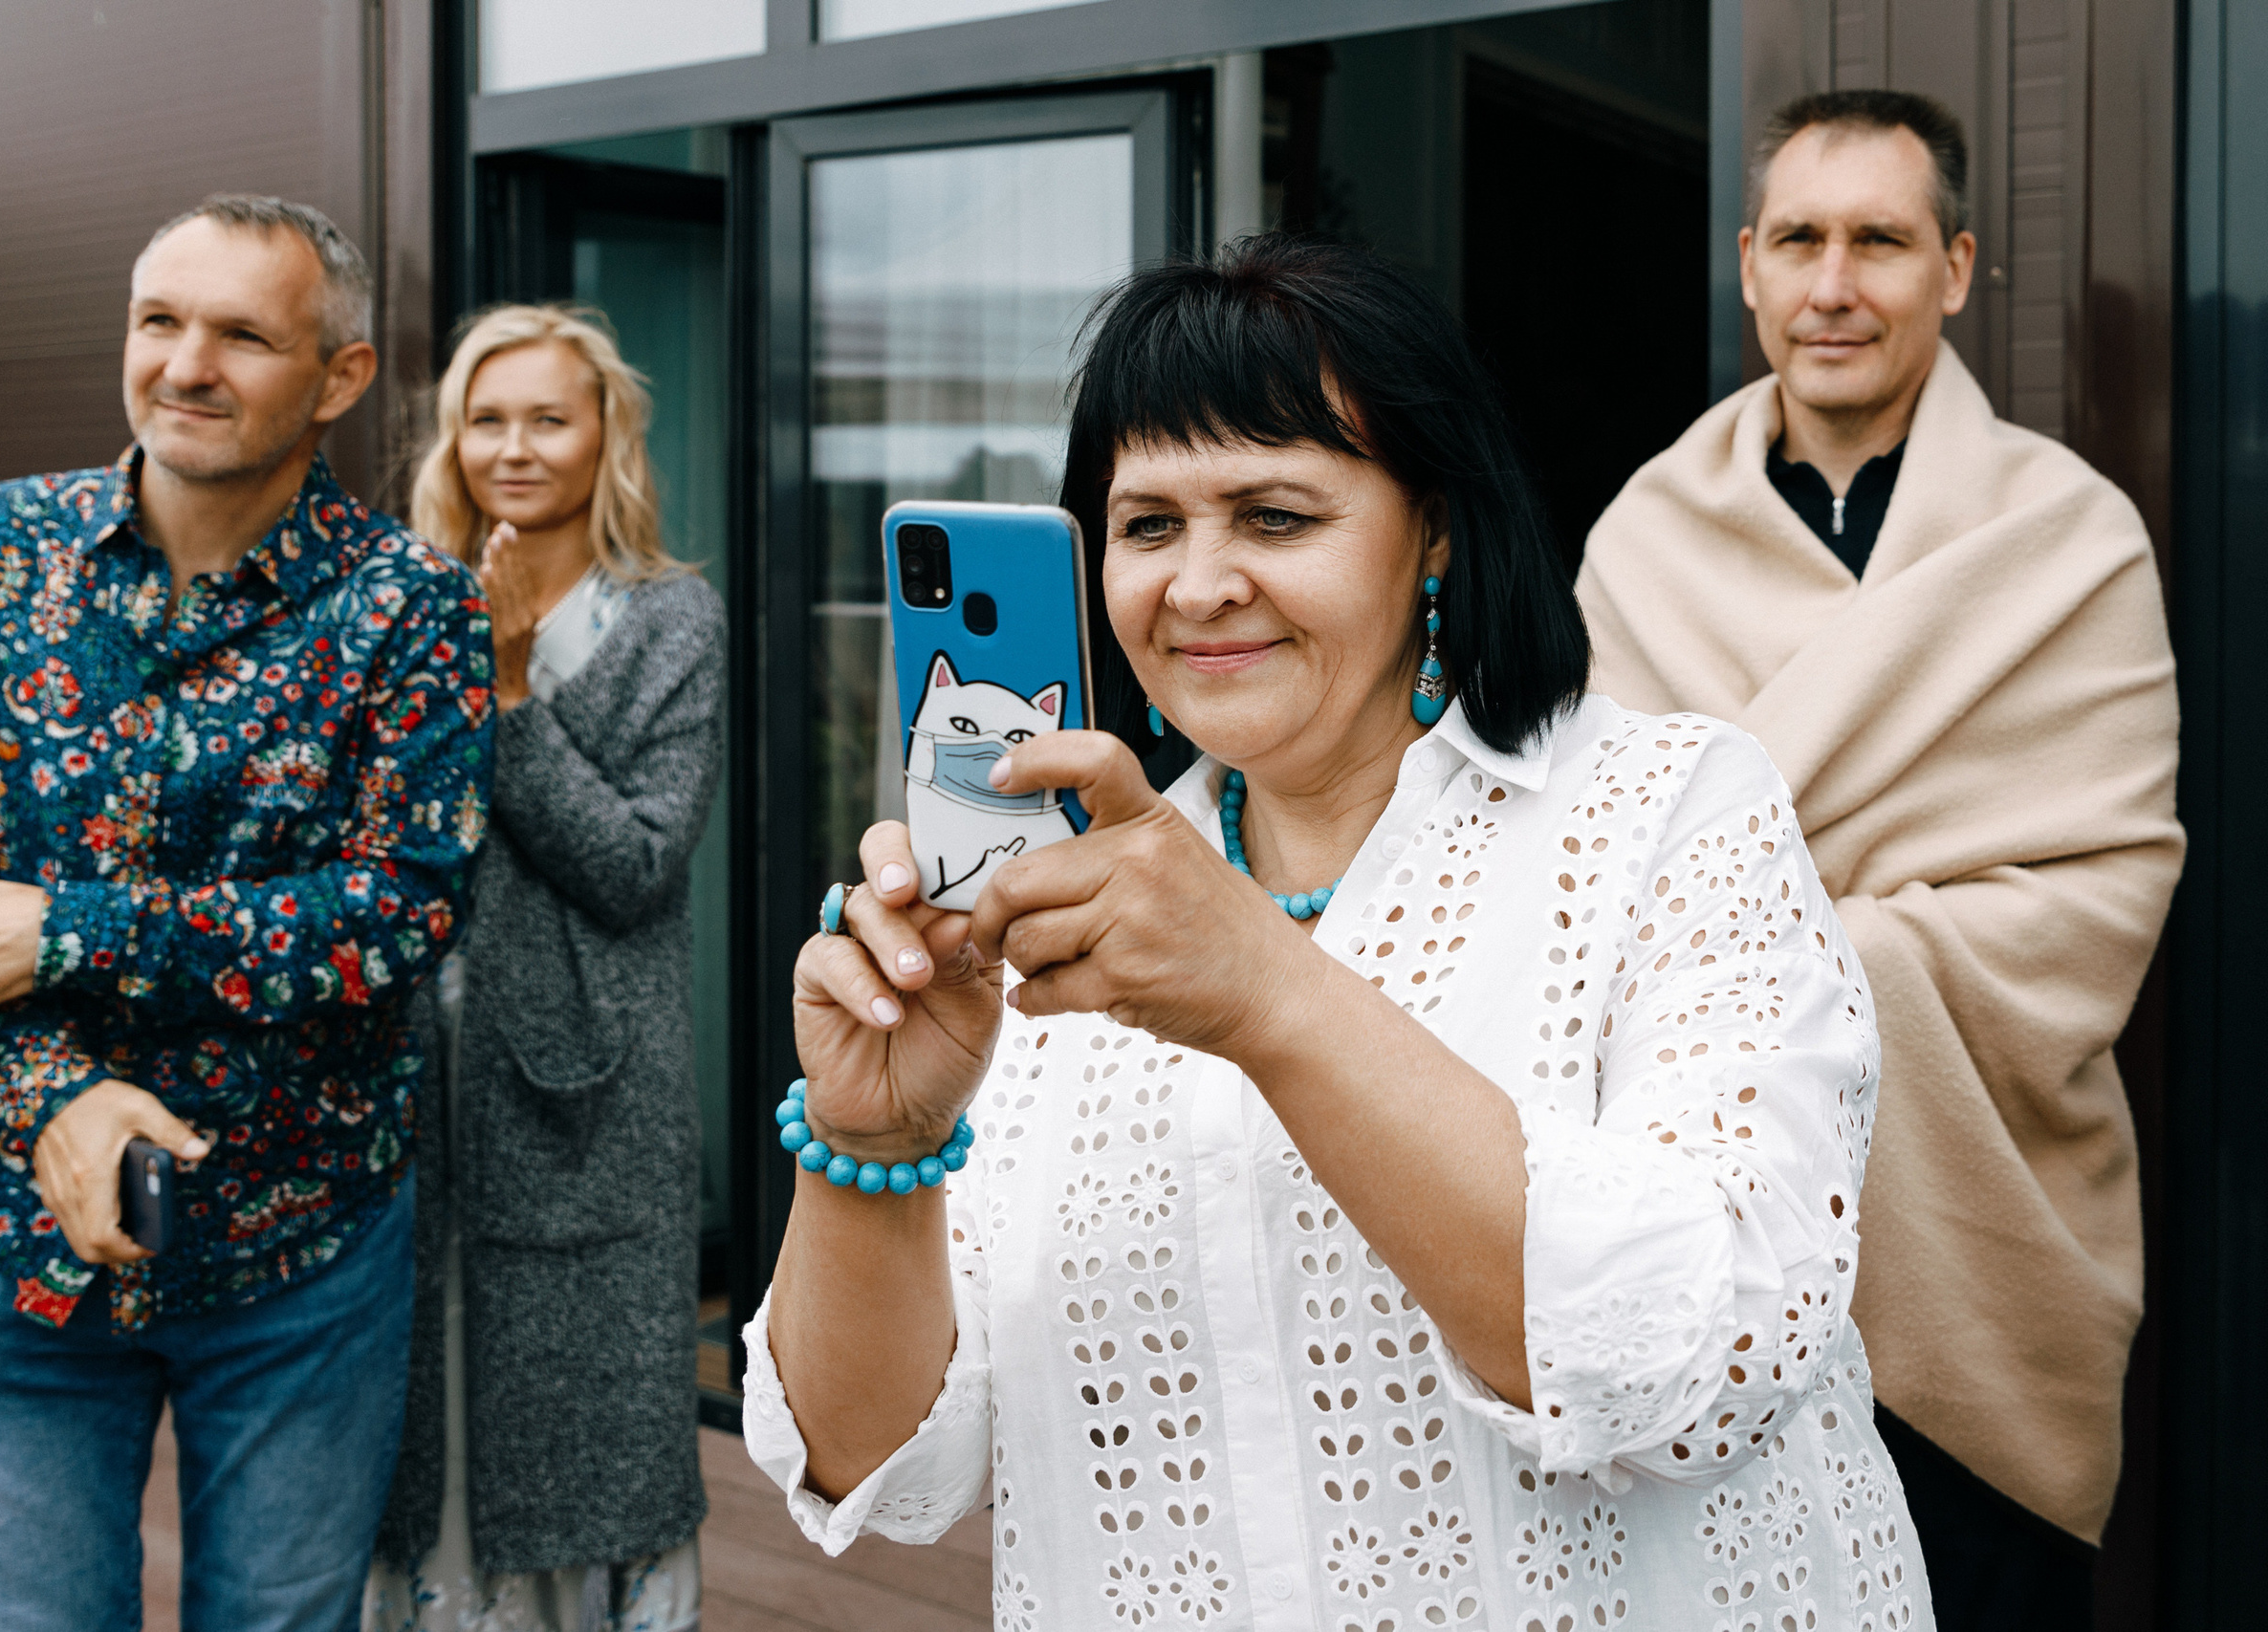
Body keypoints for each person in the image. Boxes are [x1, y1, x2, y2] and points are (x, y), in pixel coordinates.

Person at [743, 233, 1930, 1630]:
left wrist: (1267, 989)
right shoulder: (1047, 917)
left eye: (1274, 516)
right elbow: (885, 1469)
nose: (1198, 585)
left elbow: (1700, 1359)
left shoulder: (1669, 814)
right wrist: (877, 1143)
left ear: (1435, 527)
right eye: (1148, 525)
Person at [0, 194, 492, 1630]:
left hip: (302, 1250)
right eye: (159, 321)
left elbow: (401, 909)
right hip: (4, 1230)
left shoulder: (413, 606)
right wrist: (56, 1098)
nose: (186, 365)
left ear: (340, 376)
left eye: (241, 334)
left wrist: (61, 932)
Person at [1577, 91, 2182, 1627]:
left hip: (1984, 1241)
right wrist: (1830, 937)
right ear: (1749, 265)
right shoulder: (1641, 541)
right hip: (1705, 1256)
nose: (1833, 285)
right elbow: (1588, 874)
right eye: (1800, 240)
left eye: (1880, 242)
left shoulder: (2070, 539)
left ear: (1956, 269)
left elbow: (2100, 892)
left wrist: (1788, 957)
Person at [365, 304, 724, 1632]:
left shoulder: (671, 620)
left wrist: (511, 694)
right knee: (431, 1389)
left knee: (588, 1419)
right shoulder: (404, 606)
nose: (514, 447)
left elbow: (637, 866)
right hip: (418, 1071)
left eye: (548, 419)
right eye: (486, 419)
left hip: (593, 1092)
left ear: (606, 434)